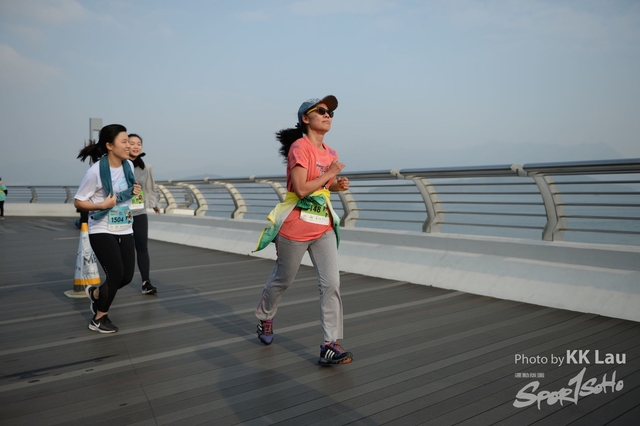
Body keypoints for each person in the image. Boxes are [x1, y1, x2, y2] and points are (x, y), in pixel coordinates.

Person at [253, 95, 353, 365]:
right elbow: (300, 188)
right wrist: (329, 174)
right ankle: (264, 317)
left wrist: (337, 185)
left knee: (331, 284)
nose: (328, 115)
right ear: (306, 119)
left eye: (330, 112)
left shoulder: (330, 153)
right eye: (321, 111)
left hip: (323, 226)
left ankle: (330, 344)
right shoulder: (300, 147)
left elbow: (322, 186)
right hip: (295, 226)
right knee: (283, 279)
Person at [74, 124, 141, 333]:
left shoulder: (128, 166)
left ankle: (96, 294)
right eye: (124, 141)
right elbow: (79, 201)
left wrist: (133, 190)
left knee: (127, 277)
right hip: (101, 227)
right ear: (110, 145)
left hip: (124, 226)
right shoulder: (95, 172)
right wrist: (102, 205)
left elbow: (126, 192)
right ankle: (99, 318)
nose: (129, 145)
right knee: (116, 274)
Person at [128, 133, 161, 295]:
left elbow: (149, 188)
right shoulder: (118, 164)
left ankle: (146, 282)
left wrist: (155, 205)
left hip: (139, 211)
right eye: (132, 143)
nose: (136, 146)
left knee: (142, 247)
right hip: (120, 212)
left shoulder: (145, 167)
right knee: (124, 249)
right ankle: (116, 280)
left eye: (138, 144)